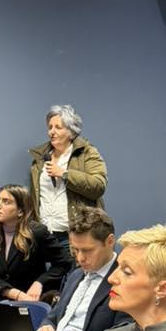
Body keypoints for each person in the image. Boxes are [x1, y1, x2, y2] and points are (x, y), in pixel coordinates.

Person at [11, 208, 131, 331]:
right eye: (75, 250)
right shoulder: (76, 275)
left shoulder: (123, 282)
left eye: (87, 250)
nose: (80, 258)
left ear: (110, 241)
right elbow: (55, 314)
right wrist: (47, 326)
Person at [28, 105, 107, 268]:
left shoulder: (87, 153)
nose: (52, 132)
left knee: (72, 280)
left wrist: (65, 174)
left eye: (58, 127)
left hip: (72, 236)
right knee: (47, 281)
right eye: (50, 127)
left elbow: (98, 185)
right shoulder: (41, 158)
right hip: (44, 236)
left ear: (71, 131)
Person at [0, 184, 71, 303]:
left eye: (6, 202)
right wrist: (14, 293)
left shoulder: (37, 232)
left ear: (21, 211)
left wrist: (39, 282)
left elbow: (64, 262)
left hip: (31, 298)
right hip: (0, 295)